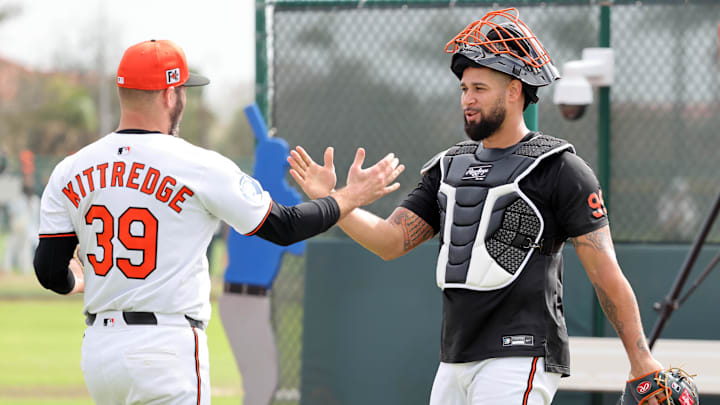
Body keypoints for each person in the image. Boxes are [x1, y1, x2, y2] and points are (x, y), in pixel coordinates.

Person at [288, 8, 664, 405]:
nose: (468, 99)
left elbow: (607, 275)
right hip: (455, 358)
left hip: (521, 354)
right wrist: (336, 202)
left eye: (480, 89)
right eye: (464, 89)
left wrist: (642, 361)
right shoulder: (448, 167)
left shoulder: (562, 170)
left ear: (515, 91)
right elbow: (390, 241)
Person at [33, 39, 403, 405]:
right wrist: (347, 197)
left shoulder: (70, 169)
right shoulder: (199, 165)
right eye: (182, 91)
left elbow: (50, 271)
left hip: (100, 353)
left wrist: (75, 280)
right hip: (166, 348)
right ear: (168, 95)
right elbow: (285, 226)